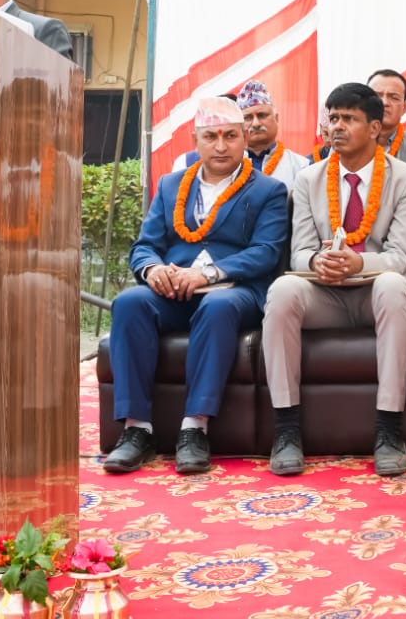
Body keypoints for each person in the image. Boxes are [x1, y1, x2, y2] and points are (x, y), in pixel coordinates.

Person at [104, 97, 289, 475]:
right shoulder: (172, 185)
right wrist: (153, 269)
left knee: (217, 306)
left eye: (230, 136)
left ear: (244, 138)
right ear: (195, 140)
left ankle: (195, 429)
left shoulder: (268, 190)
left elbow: (266, 253)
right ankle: (136, 430)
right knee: (129, 303)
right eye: (211, 136)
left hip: (236, 291)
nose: (221, 146)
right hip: (173, 289)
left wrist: (209, 275)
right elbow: (145, 246)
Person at [262, 83, 406, 477]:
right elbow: (299, 253)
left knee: (395, 285)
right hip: (326, 293)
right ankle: (286, 431)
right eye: (333, 118)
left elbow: (398, 255)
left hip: (377, 290)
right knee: (283, 289)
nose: (337, 127)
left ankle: (389, 431)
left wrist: (356, 265)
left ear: (375, 128)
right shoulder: (309, 179)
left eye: (349, 119)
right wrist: (319, 260)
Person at [171, 81, 310, 188]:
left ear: (277, 119)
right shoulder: (223, 161)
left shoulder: (301, 166)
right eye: (248, 117)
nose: (256, 123)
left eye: (262, 115)